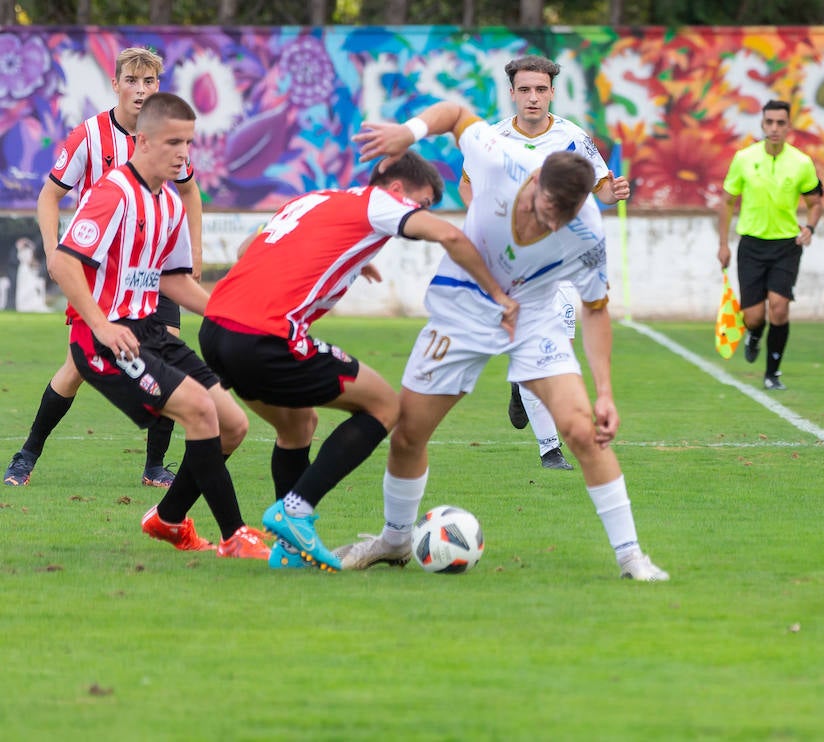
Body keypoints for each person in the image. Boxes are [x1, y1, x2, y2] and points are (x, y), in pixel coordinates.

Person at [343, 101, 671, 581]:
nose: (545, 222)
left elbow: (597, 309)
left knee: (583, 430)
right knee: (410, 432)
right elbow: (455, 113)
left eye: (559, 219)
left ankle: (631, 558)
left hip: (534, 317)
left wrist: (605, 392)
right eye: (541, 208)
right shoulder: (499, 158)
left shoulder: (587, 235)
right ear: (534, 181)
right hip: (463, 307)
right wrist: (408, 133)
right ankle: (393, 541)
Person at [200, 152, 513, 572]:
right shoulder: (380, 202)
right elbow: (450, 237)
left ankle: (289, 551)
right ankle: (295, 509)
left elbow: (246, 248)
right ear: (398, 190)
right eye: (419, 205)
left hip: (216, 330)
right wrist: (498, 292)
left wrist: (347, 255)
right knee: (386, 406)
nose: (418, 216)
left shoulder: (317, 199)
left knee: (298, 425)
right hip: (264, 337)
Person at [47, 92, 268, 559]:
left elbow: (173, 280)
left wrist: (226, 315)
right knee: (200, 412)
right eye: (173, 142)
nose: (183, 153)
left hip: (148, 331)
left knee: (232, 425)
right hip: (104, 341)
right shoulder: (113, 192)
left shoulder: (169, 202)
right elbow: (64, 264)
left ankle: (167, 519)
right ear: (143, 141)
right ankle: (235, 536)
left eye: (188, 142)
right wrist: (101, 325)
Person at [5, 47, 204, 489]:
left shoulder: (166, 137)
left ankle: (154, 466)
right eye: (132, 80)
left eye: (149, 82)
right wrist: (54, 250)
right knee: (77, 368)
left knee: (167, 355)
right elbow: (48, 196)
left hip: (154, 270)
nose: (140, 90)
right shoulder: (89, 136)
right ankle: (26, 455)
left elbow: (190, 192)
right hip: (103, 277)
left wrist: (194, 256)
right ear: (115, 84)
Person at [465, 55, 631, 472]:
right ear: (513, 93)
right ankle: (550, 448)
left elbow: (602, 189)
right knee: (535, 344)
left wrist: (616, 191)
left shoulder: (573, 138)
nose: (533, 98)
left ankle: (525, 393)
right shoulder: (493, 138)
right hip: (508, 260)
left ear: (552, 92)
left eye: (541, 89)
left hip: (556, 257)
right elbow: (467, 184)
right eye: (525, 90)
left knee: (554, 342)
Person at [717, 100, 824, 391]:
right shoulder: (744, 158)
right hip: (750, 245)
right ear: (762, 124)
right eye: (769, 122)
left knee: (779, 308)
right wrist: (723, 244)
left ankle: (772, 373)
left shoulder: (801, 163)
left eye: (780, 123)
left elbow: (815, 203)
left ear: (789, 126)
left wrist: (810, 228)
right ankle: (754, 334)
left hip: (786, 246)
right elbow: (726, 202)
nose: (774, 128)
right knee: (754, 317)